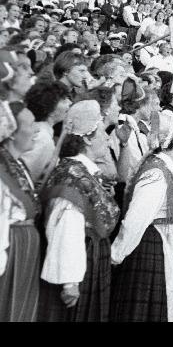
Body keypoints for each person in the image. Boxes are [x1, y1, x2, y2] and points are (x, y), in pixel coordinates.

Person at [109, 113, 173, 322]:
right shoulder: (156, 174)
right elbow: (135, 220)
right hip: (154, 247)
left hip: (166, 247)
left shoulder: (166, 170)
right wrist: (116, 255)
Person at [38, 100, 121, 321]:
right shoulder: (72, 177)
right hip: (81, 266)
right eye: (102, 132)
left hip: (90, 259)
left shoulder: (82, 172)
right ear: (86, 138)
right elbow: (67, 230)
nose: (106, 137)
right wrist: (70, 282)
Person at [0, 101, 40, 321]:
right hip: (10, 248)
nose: (36, 130)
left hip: (24, 248)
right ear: (12, 133)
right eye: (31, 124)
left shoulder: (20, 165)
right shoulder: (2, 170)